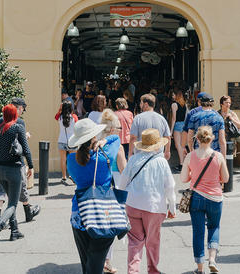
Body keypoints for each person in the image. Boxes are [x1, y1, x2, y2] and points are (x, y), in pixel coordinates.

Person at [118, 129, 176, 274]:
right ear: (158, 145)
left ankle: (133, 270)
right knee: (152, 241)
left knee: (135, 242)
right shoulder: (162, 162)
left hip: (132, 204)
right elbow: (170, 187)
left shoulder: (133, 159)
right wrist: (172, 208)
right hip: (154, 207)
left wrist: (120, 205)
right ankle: (153, 270)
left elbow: (122, 184)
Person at [67, 119, 120, 274]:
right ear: (93, 138)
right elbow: (116, 138)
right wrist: (104, 140)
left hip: (80, 213)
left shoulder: (71, 160)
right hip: (103, 214)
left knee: (86, 263)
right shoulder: (106, 156)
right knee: (96, 263)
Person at [181, 126, 229, 274]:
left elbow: (183, 179)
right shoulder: (218, 156)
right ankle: (212, 259)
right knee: (214, 227)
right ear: (211, 138)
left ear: (197, 138)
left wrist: (192, 175)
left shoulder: (190, 156)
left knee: (198, 232)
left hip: (197, 197)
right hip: (215, 197)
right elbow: (226, 178)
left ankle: (200, 267)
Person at [0, 104, 34, 250]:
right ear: (14, 115)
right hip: (14, 170)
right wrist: (31, 166)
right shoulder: (17, 128)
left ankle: (14, 231)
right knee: (13, 204)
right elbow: (25, 149)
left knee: (10, 202)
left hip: (1, 170)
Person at [0, 97, 40, 227]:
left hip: (1, 163)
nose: (22, 112)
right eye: (22, 109)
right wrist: (31, 165)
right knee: (21, 188)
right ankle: (27, 212)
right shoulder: (19, 123)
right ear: (18, 108)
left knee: (1, 190)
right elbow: (22, 146)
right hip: (16, 163)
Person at [99, 108, 128, 274]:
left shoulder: (96, 143)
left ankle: (101, 259)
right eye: (118, 128)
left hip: (100, 186)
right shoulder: (117, 147)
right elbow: (124, 170)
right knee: (112, 224)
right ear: (111, 130)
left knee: (101, 223)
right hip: (114, 185)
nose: (119, 131)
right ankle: (107, 261)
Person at [129, 94, 171, 160]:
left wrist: (130, 153)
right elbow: (167, 137)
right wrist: (167, 151)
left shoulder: (138, 118)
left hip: (141, 156)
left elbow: (133, 138)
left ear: (145, 104)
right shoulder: (162, 118)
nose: (140, 105)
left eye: (141, 103)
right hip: (158, 156)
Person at [186, 93, 226, 158]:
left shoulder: (194, 117)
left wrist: (192, 151)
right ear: (212, 103)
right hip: (214, 154)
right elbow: (222, 141)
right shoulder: (219, 118)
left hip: (198, 154)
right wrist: (223, 159)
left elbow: (189, 139)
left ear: (201, 103)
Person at [58, 101, 78, 185]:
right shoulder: (74, 117)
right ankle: (73, 176)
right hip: (72, 141)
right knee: (73, 160)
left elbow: (57, 114)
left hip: (61, 140)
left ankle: (64, 177)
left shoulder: (59, 117)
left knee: (63, 160)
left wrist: (60, 107)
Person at [169, 89, 188, 172]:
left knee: (178, 145)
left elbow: (174, 118)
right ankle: (184, 162)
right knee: (182, 145)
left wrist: (171, 130)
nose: (172, 96)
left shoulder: (174, 105)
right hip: (184, 124)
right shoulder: (184, 105)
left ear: (177, 96)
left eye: (173, 95)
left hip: (177, 125)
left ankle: (181, 163)